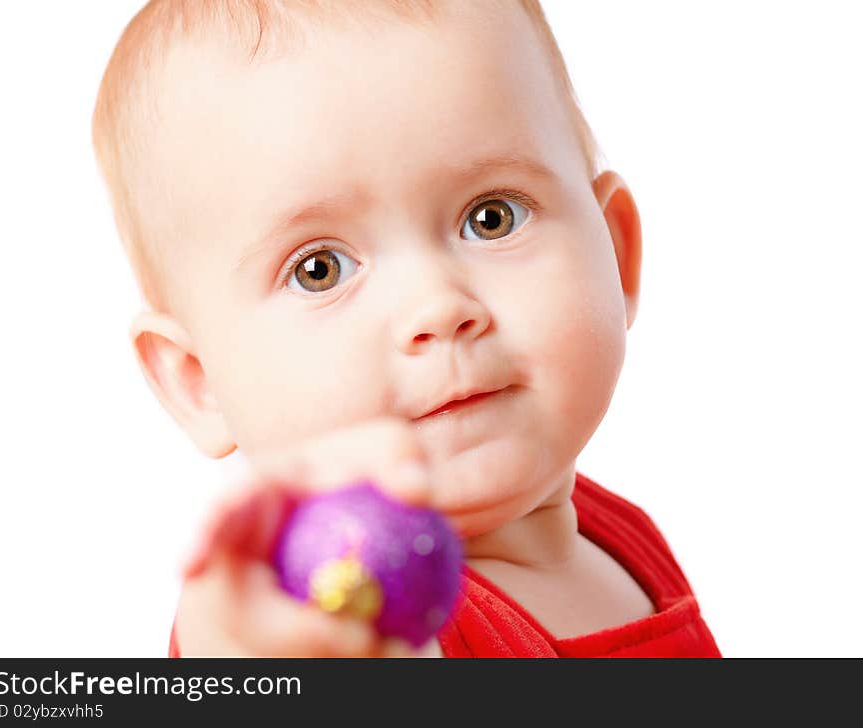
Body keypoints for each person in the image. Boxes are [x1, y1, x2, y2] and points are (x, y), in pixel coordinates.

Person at [92, 0, 720, 657]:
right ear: (200, 383)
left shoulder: (620, 536)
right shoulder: (360, 618)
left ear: (615, 254)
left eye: (492, 217)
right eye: (320, 269)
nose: (438, 306)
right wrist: (236, 636)